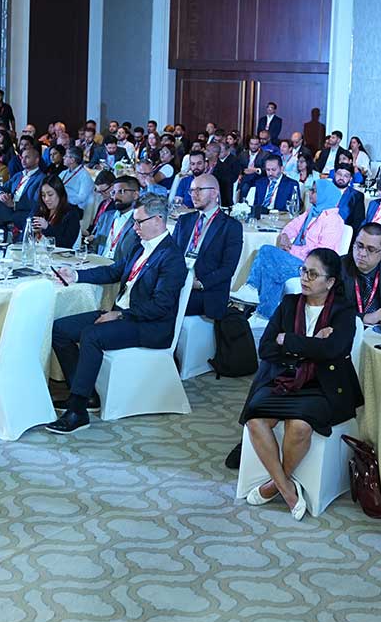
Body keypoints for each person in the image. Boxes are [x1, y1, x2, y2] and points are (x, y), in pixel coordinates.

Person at [240, 247, 363, 520]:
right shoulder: (289, 304)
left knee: (299, 426)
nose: (305, 278)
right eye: (303, 271)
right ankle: (287, 489)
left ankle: (274, 485)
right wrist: (313, 344)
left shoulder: (343, 311)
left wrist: (290, 341)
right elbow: (266, 348)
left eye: (313, 274)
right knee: (255, 419)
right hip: (283, 379)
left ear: (330, 282)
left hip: (322, 385)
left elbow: (334, 350)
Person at [49, 195, 188, 433]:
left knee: (92, 335)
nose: (134, 228)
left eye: (139, 222)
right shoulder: (141, 246)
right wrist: (76, 276)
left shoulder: (172, 257)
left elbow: (161, 306)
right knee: (59, 329)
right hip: (125, 315)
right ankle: (85, 393)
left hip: (150, 326)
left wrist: (120, 316)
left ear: (158, 220)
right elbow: (114, 271)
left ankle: (78, 410)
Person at [232, 181, 347, 321]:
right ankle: (264, 315)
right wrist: (285, 236)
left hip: (314, 267)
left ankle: (254, 292)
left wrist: (292, 249)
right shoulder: (312, 212)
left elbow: (321, 254)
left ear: (324, 195)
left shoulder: (333, 221)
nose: (310, 193)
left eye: (314, 191)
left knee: (267, 252)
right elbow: (292, 226)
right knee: (272, 267)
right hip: (299, 258)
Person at [173, 174, 242, 319]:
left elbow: (228, 269)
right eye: (191, 190)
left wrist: (199, 284)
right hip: (178, 281)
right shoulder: (184, 220)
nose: (194, 195)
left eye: (199, 190)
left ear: (214, 192)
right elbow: (171, 253)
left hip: (204, 290)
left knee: (164, 304)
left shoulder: (231, 226)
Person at [0, 145, 45, 232]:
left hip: (24, 211)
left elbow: (36, 203)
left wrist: (14, 205)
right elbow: (1, 188)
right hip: (10, 208)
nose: (23, 160)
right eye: (22, 157)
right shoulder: (18, 175)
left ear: (36, 160)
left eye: (27, 157)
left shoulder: (41, 178)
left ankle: (8, 223)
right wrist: (1, 194)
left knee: (0, 219)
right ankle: (9, 222)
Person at [92, 175, 141, 260]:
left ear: (135, 195)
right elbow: (95, 246)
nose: (116, 197)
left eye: (121, 192)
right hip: (98, 263)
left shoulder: (140, 221)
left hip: (120, 267)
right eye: (113, 192)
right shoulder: (106, 217)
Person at [31, 175, 82, 250]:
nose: (46, 199)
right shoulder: (40, 210)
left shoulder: (71, 214)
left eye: (50, 195)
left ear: (60, 193)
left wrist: (47, 228)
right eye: (43, 195)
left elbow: (66, 244)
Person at [332, 163, 365, 230]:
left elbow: (358, 222)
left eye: (346, 176)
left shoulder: (357, 196)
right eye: (339, 174)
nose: (341, 178)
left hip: (344, 231)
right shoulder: (325, 191)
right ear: (335, 174)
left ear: (350, 179)